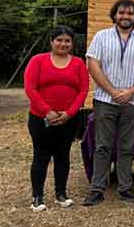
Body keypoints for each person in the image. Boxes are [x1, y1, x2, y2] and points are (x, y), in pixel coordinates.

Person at [83, 0, 134, 206]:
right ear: (114, 15)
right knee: (102, 147)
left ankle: (125, 187)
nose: (125, 17)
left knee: (127, 147)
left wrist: (131, 91)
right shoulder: (101, 36)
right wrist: (113, 92)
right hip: (105, 100)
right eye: (121, 13)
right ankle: (97, 189)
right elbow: (93, 65)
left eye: (130, 14)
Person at [24, 25, 89, 211]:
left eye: (67, 40)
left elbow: (83, 90)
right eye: (59, 40)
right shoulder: (38, 60)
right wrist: (47, 111)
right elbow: (30, 88)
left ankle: (61, 194)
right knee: (41, 156)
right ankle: (37, 197)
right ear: (51, 41)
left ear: (72, 43)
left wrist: (69, 113)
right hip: (41, 118)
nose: (63, 43)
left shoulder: (78, 63)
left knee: (63, 156)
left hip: (68, 119)